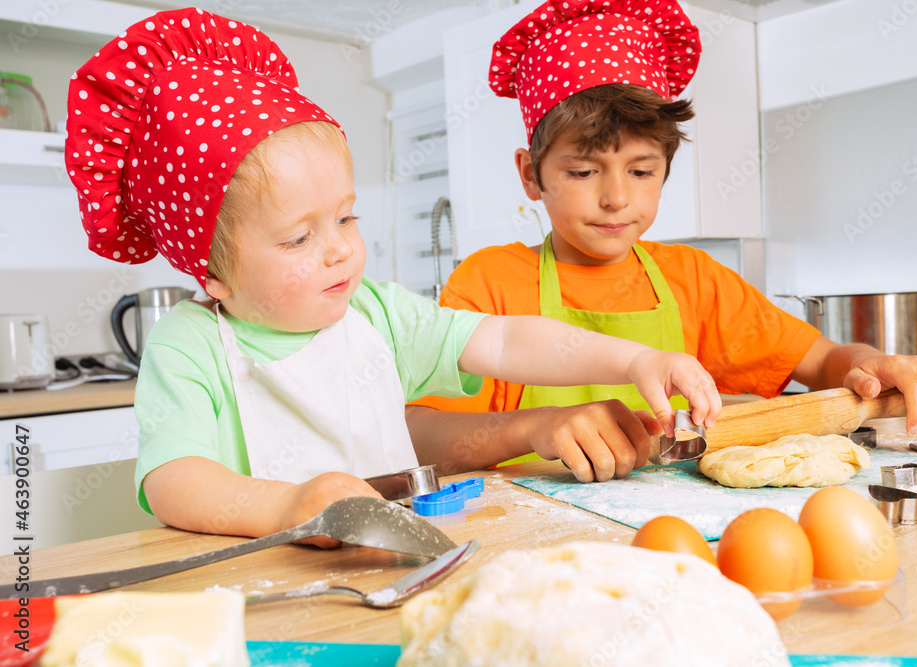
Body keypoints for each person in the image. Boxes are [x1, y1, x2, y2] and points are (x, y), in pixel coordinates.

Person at [64, 7, 721, 547]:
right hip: (259, 588)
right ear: (213, 274)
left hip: (396, 564)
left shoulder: (375, 314)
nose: (339, 252)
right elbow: (173, 479)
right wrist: (293, 503)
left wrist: (636, 357)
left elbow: (508, 341)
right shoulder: (189, 345)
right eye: (299, 237)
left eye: (346, 219)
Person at [407, 0, 917, 482]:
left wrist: (877, 365)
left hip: (676, 531)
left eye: (642, 171)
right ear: (531, 174)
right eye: (583, 172)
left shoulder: (693, 280)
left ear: (666, 170)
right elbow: (421, 436)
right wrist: (534, 425)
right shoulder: (491, 283)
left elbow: (823, 361)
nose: (616, 198)